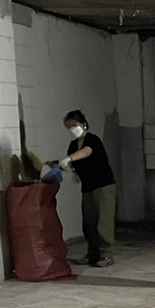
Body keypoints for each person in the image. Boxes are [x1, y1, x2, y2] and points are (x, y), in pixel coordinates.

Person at [51, 110, 117, 268]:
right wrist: (65, 167)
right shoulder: (73, 145)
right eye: (69, 127)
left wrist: (70, 158)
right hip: (87, 187)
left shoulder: (92, 140)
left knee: (104, 221)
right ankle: (93, 253)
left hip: (103, 186)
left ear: (84, 124)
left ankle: (106, 254)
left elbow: (87, 151)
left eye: (74, 125)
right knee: (89, 222)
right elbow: (74, 165)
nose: (72, 129)